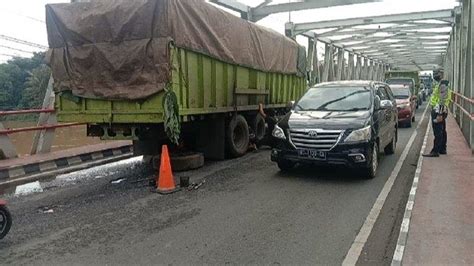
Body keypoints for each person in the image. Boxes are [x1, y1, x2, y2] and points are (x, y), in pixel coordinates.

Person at [423, 74, 452, 157]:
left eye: (437, 73)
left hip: (438, 110)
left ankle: (435, 151)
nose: (435, 75)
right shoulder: (442, 84)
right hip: (440, 109)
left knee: (438, 131)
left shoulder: (443, 85)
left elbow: (442, 100)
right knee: (442, 130)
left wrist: (439, 113)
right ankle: (442, 149)